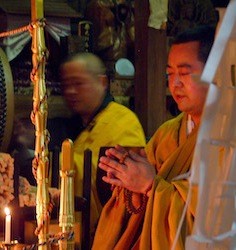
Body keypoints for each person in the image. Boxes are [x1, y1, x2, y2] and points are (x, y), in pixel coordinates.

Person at [92, 25, 215, 249]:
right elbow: (139, 210)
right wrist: (129, 184)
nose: (175, 83)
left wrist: (150, 186)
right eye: (170, 74)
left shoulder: (232, 138)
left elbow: (217, 220)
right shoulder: (166, 134)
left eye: (185, 73)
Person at [58, 52, 146, 238]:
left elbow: (120, 191)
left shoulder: (123, 122)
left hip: (110, 233)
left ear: (103, 83)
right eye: (66, 85)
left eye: (78, 83)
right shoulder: (85, 124)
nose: (71, 91)